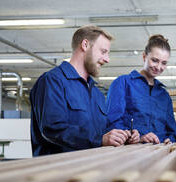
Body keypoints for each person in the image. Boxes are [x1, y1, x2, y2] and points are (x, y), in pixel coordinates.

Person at [30, 25, 139, 156]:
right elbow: (53, 129)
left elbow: (102, 132)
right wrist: (100, 140)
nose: (107, 59)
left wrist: (123, 136)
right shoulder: (53, 81)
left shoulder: (97, 93)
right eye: (103, 52)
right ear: (85, 45)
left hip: (91, 169)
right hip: (57, 171)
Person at [106, 35, 176, 145]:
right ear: (144, 56)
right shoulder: (123, 83)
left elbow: (173, 132)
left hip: (160, 155)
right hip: (130, 155)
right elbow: (112, 123)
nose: (159, 67)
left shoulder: (164, 95)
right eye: (155, 60)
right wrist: (138, 138)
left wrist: (171, 140)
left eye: (164, 63)